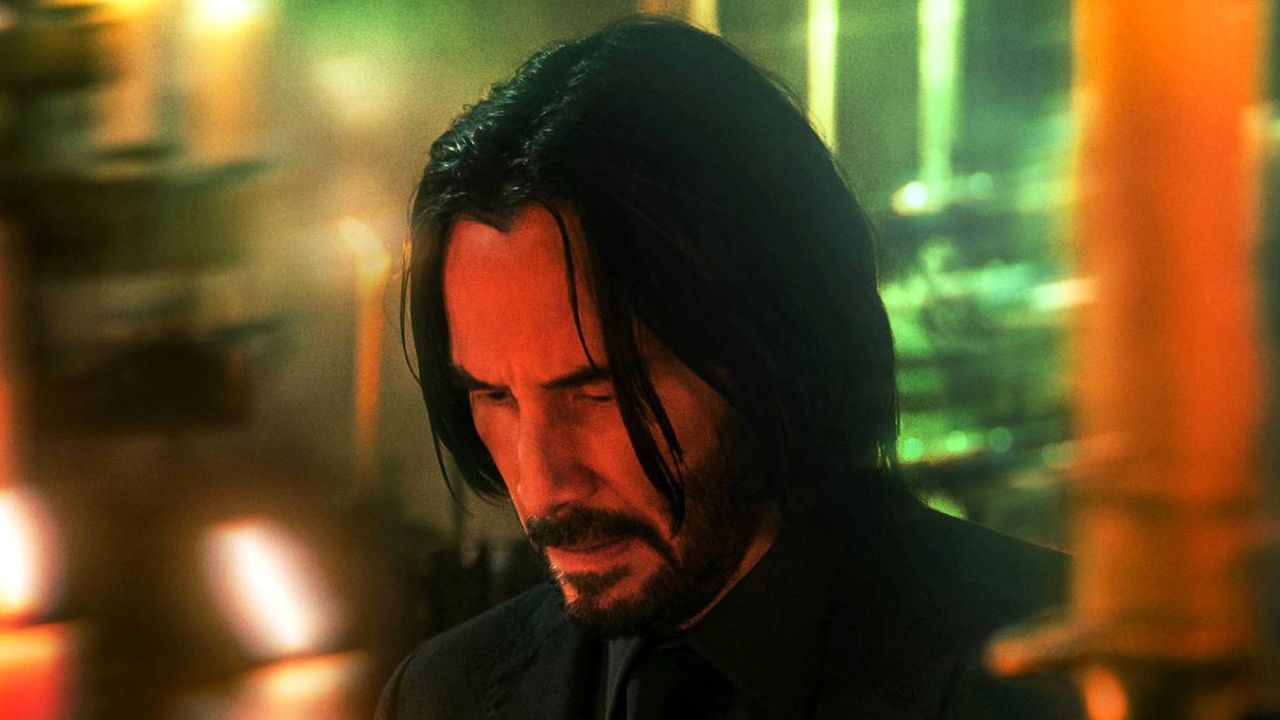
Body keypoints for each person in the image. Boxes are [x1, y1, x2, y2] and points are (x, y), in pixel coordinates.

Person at [378, 17, 1073, 720]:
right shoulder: (446, 695)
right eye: (495, 395)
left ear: (773, 344)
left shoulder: (1058, 675)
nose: (545, 485)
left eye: (598, 391)